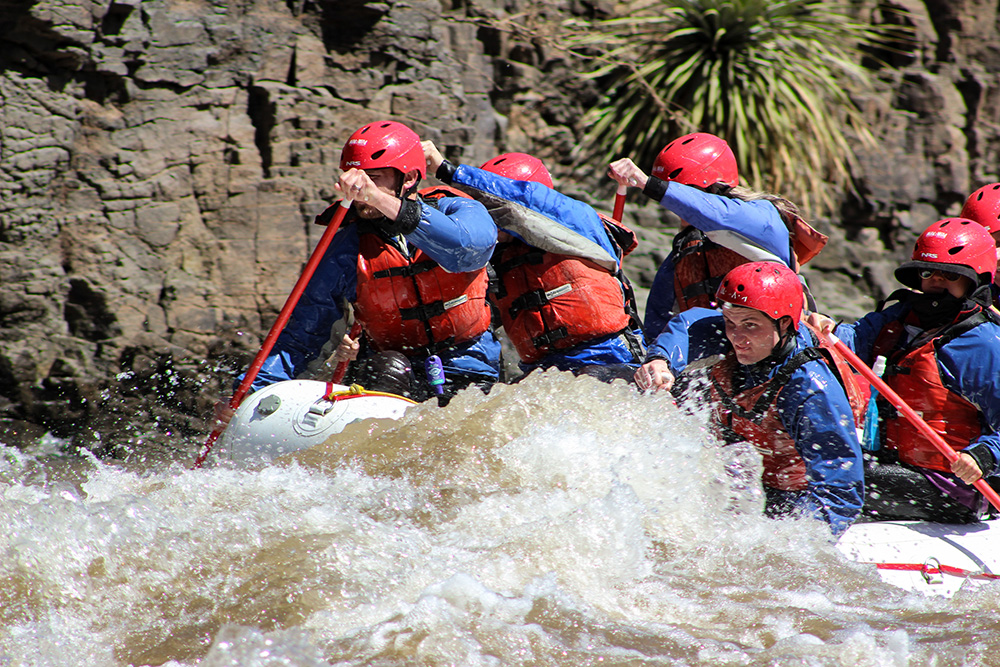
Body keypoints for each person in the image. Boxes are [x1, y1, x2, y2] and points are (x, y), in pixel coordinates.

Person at [241, 120, 502, 403]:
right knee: (388, 366)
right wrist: (251, 393)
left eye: (374, 177)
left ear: (410, 178)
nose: (360, 190)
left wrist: (378, 198)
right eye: (355, 178)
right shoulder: (347, 247)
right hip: (392, 372)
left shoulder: (459, 209)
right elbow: (299, 336)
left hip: (469, 366)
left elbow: (465, 251)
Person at [635, 261, 865, 535]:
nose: (737, 337)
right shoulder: (737, 331)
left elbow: (839, 491)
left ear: (783, 324)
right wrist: (660, 360)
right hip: (739, 475)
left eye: (750, 325)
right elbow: (690, 323)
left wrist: (796, 548)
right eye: (730, 322)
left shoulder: (810, 388)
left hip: (792, 495)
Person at [808, 218, 1000, 523]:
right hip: (892, 462)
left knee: (837, 473)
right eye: (927, 273)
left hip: (953, 487)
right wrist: (820, 326)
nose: (936, 282)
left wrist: (984, 456)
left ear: (976, 281)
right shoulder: (899, 316)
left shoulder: (984, 345)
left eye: (949, 275)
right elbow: (850, 340)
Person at [422, 145, 645, 381]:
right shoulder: (495, 256)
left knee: (587, 379)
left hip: (610, 360)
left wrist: (446, 170)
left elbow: (526, 199)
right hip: (542, 373)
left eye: (492, 209)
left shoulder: (580, 224)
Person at [606, 132, 827, 341]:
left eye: (684, 192)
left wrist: (647, 183)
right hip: (722, 360)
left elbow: (717, 213)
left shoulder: (761, 218)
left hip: (782, 342)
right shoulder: (684, 251)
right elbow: (658, 326)